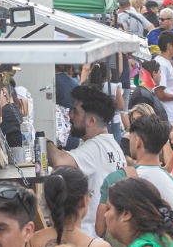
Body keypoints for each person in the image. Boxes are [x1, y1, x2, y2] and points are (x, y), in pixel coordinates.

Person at [51, 85, 127, 235]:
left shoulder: (95, 147)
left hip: (90, 235)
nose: (70, 115)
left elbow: (60, 162)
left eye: (76, 112)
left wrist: (44, 141)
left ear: (91, 121)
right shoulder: (109, 144)